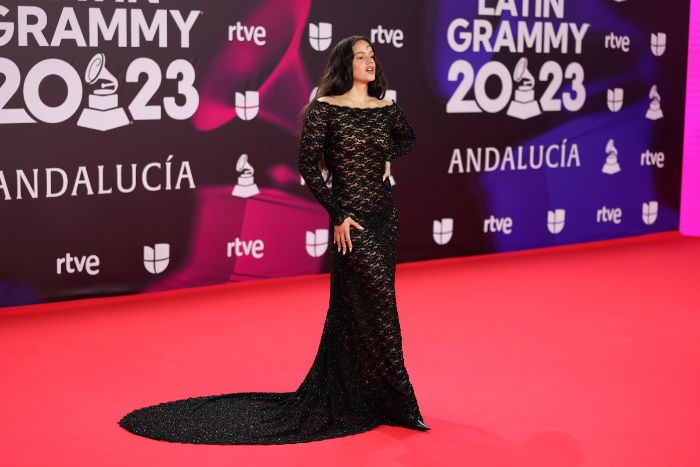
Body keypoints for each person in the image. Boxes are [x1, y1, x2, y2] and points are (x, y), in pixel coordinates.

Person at [117, 35, 428, 445]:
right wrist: (337, 213)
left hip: (384, 215)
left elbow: (409, 139)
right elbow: (307, 164)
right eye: (360, 56)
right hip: (350, 221)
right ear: (344, 65)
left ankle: (368, 397)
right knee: (379, 305)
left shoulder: (386, 107)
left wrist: (386, 155)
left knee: (362, 306)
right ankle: (400, 402)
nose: (370, 61)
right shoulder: (325, 109)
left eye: (372, 55)